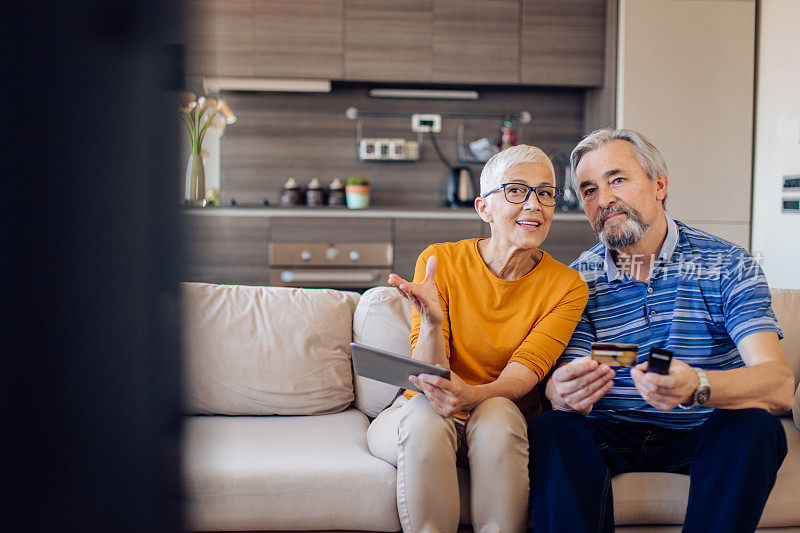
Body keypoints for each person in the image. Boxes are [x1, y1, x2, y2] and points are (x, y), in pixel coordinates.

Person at [528, 128, 795, 532]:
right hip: (610, 431)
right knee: (553, 428)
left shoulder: (729, 265)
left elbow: (776, 384)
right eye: (588, 190)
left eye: (617, 179)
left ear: (659, 185)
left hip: (704, 428)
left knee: (755, 427)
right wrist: (557, 390)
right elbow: (569, 375)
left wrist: (697, 384)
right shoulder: (575, 281)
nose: (604, 199)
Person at [367, 144, 589, 533]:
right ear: (483, 207)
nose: (534, 205)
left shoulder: (566, 285)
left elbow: (523, 378)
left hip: (500, 422)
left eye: (546, 192)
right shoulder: (441, 261)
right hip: (428, 414)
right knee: (426, 416)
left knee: (500, 412)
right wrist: (432, 322)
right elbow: (428, 379)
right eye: (517, 190)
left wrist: (470, 396)